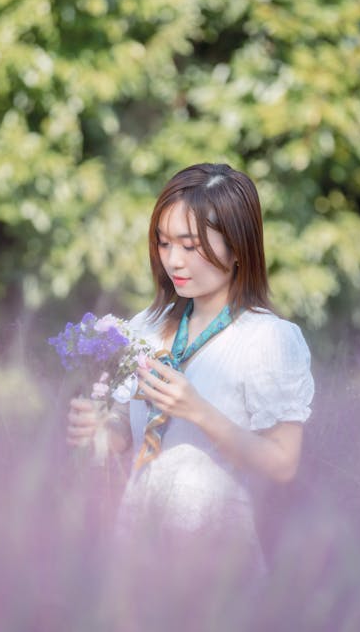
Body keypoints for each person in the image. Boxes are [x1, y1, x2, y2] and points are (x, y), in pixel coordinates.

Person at [67, 162, 314, 578]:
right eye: (164, 243)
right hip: (136, 554)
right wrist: (99, 431)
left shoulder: (268, 340)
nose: (173, 261)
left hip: (219, 566)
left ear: (237, 247)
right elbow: (127, 437)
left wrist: (198, 410)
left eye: (190, 244)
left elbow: (283, 464)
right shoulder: (146, 327)